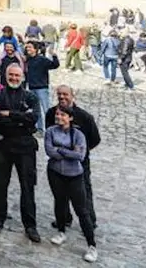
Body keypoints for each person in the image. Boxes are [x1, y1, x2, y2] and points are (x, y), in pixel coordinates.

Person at [0, 64, 42, 242]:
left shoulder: (30, 96)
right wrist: (19, 118)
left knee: (27, 186)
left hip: (25, 146)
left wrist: (9, 114)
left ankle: (30, 225)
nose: (14, 78)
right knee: (1, 183)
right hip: (4, 144)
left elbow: (33, 118)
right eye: (11, 75)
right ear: (5, 75)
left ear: (22, 77)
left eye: (17, 75)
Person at [45, 105, 98, 263]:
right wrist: (67, 151)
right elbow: (49, 151)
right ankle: (61, 231)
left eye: (63, 115)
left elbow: (80, 155)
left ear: (70, 117)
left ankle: (92, 244)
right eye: (58, 114)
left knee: (81, 210)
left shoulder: (78, 134)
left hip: (74, 175)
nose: (59, 117)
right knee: (60, 203)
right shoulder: (50, 132)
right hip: (55, 173)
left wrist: (61, 150)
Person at [44, 85, 100, 230]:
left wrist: (80, 151)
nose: (62, 97)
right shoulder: (51, 113)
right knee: (60, 192)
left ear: (72, 96)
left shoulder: (85, 117)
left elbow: (94, 139)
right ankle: (64, 218)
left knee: (84, 191)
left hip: (79, 164)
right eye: (59, 94)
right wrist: (66, 151)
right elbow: (50, 137)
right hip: (58, 162)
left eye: (65, 94)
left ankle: (89, 222)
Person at [22, 42, 59, 131]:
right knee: (36, 110)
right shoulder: (27, 60)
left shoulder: (42, 59)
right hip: (31, 88)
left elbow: (55, 65)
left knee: (46, 109)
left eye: (30, 47)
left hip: (42, 88)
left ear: (35, 49)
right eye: (27, 48)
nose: (28, 49)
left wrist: (54, 56)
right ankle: (39, 128)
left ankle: (50, 128)